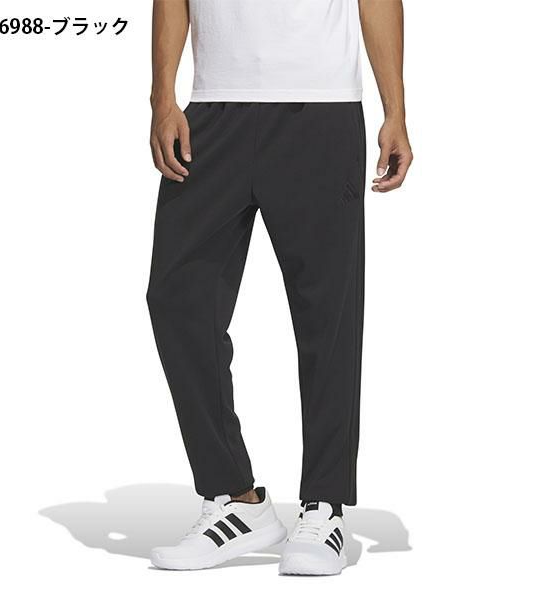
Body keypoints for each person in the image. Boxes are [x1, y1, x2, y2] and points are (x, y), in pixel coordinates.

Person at [146, 0, 412, 575]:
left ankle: (325, 506)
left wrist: (395, 110)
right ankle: (235, 499)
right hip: (212, 110)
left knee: (327, 316)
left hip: (320, 108)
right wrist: (163, 97)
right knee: (177, 298)